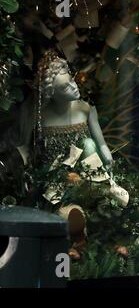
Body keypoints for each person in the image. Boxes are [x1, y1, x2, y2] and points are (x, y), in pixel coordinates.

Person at [16, 49, 116, 259]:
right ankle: (74, 242)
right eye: (65, 86)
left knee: (109, 201)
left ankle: (88, 240)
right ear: (52, 93)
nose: (74, 86)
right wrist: (26, 170)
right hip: (55, 180)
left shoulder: (85, 109)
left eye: (71, 80)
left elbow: (101, 143)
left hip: (90, 174)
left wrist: (107, 156)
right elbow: (24, 147)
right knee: (68, 213)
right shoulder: (39, 116)